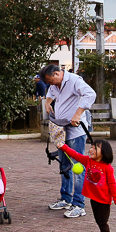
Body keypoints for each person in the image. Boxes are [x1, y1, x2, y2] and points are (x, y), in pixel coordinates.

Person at [41, 64, 96, 219]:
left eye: (52, 81)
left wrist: (78, 114)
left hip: (75, 130)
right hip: (61, 128)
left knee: (77, 167)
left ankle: (79, 204)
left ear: (58, 73)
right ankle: (66, 198)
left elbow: (90, 94)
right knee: (64, 165)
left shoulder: (74, 81)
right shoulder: (55, 85)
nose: (52, 85)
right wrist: (48, 102)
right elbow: (51, 92)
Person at [55, 133, 116, 232]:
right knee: (98, 220)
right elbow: (76, 155)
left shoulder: (107, 168)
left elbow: (112, 184)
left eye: (95, 148)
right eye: (91, 147)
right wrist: (64, 147)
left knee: (103, 222)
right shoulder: (88, 161)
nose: (91, 149)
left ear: (104, 152)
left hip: (103, 200)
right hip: (94, 198)